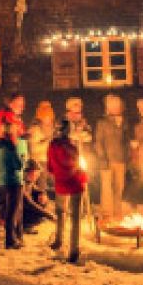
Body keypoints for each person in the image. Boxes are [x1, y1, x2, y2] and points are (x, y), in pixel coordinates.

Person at [48, 112, 88, 263]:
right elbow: (76, 165)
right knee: (75, 217)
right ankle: (73, 250)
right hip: (74, 183)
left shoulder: (52, 146)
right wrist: (83, 175)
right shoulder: (71, 146)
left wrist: (58, 174)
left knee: (61, 212)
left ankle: (59, 239)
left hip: (60, 183)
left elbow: (51, 167)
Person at [94, 94, 130, 220]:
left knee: (119, 188)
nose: (115, 108)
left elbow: (126, 141)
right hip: (107, 161)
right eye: (112, 106)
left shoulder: (124, 122)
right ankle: (107, 214)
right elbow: (98, 142)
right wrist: (103, 158)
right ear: (108, 107)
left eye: (117, 105)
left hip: (121, 160)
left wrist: (128, 155)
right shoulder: (102, 122)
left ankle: (117, 213)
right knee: (107, 188)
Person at [0, 121, 24, 249]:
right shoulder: (11, 147)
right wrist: (21, 158)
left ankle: (12, 238)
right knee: (12, 212)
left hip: (2, 181)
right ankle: (10, 240)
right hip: (13, 182)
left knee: (7, 210)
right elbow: (18, 165)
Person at [21, 159, 56, 233]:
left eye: (38, 173)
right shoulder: (21, 185)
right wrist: (50, 215)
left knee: (43, 202)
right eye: (36, 173)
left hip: (22, 211)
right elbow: (29, 204)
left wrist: (42, 194)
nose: (38, 175)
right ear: (29, 172)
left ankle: (25, 226)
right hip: (14, 215)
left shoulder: (29, 182)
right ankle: (23, 226)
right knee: (41, 214)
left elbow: (36, 190)